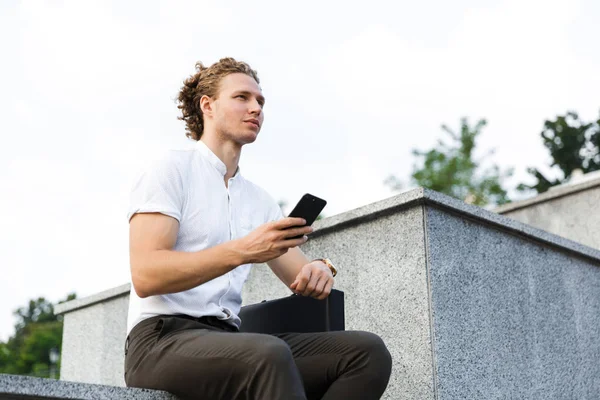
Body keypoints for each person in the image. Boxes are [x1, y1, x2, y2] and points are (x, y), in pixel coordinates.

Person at [123, 57, 392, 400]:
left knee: (366, 353)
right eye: (242, 98)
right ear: (208, 105)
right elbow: (147, 275)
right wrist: (244, 250)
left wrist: (319, 271)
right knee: (267, 354)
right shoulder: (170, 170)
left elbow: (299, 271)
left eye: (260, 102)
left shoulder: (258, 200)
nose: (255, 109)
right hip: (160, 341)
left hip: (229, 340)